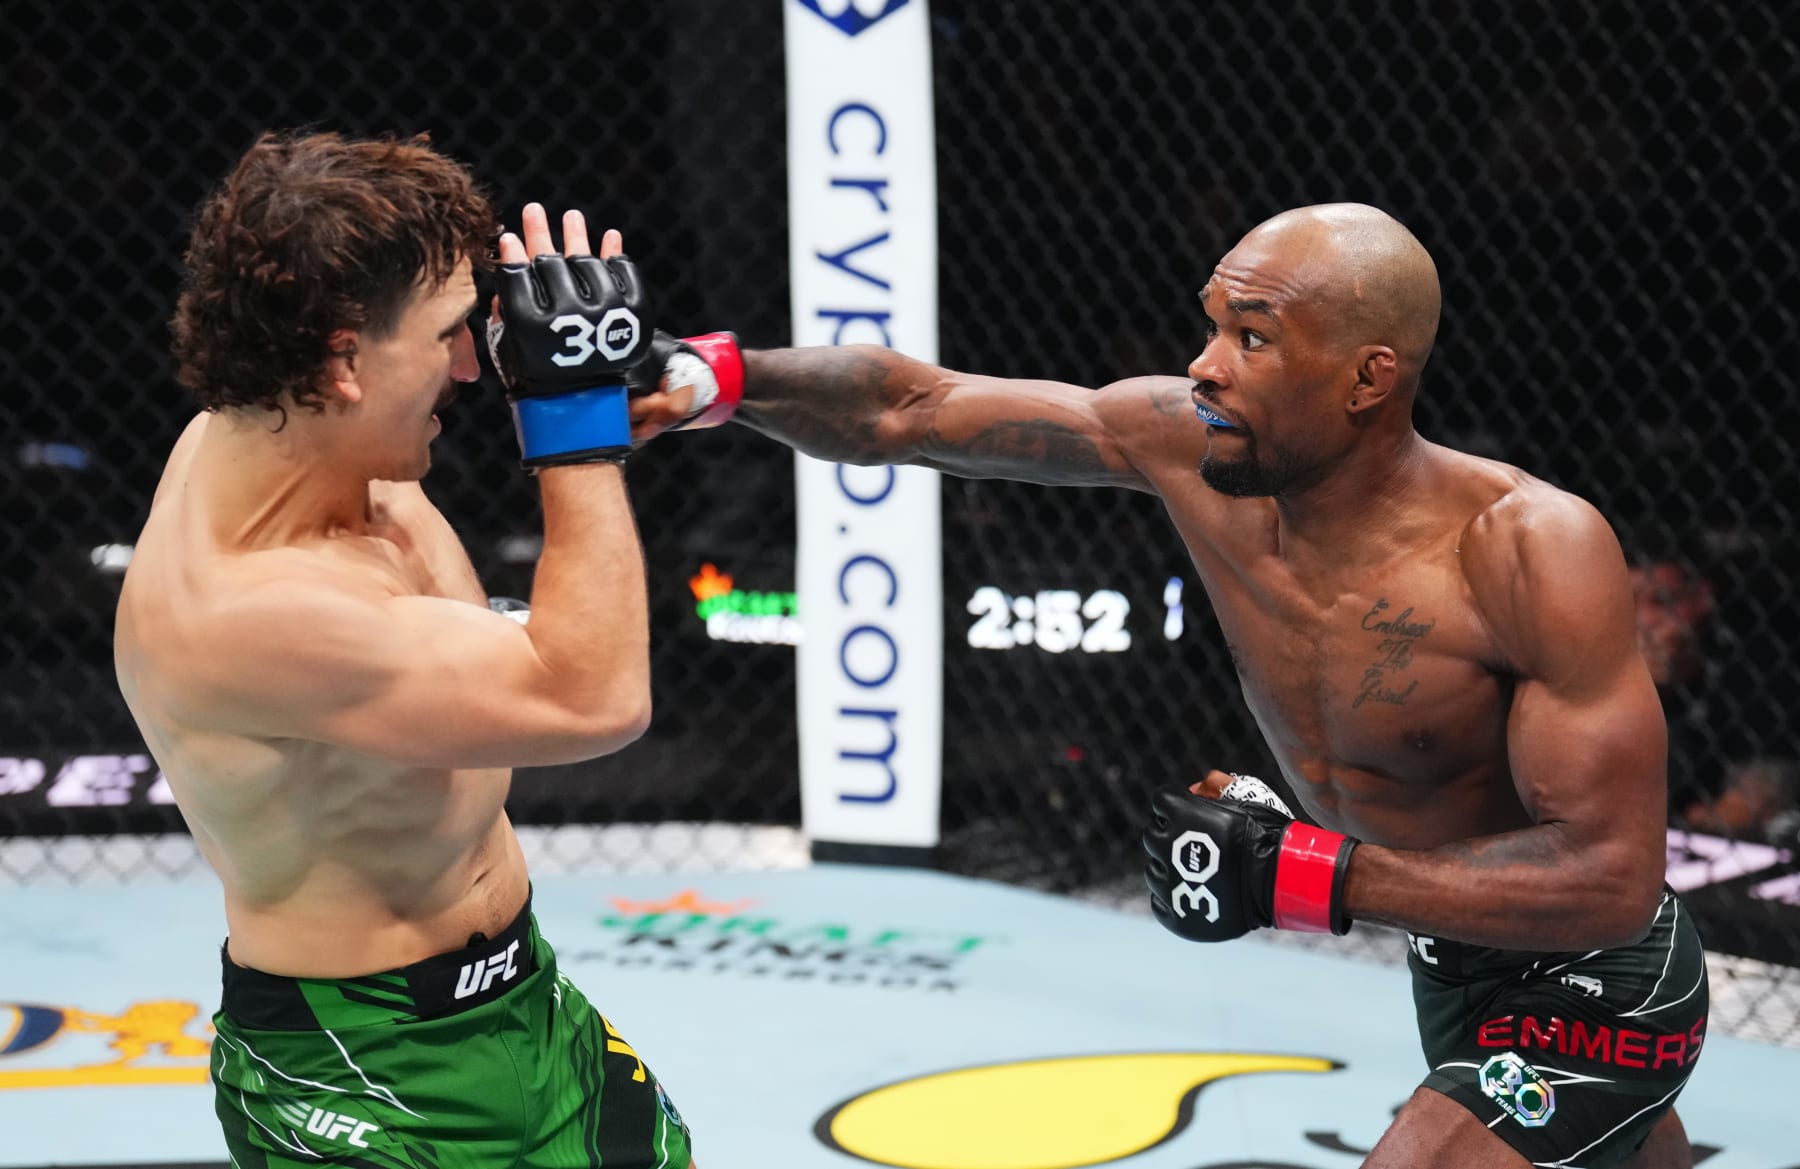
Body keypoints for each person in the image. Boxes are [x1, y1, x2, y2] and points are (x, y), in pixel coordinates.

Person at [628, 203, 1706, 1167]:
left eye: (1254, 337)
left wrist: (1306, 872)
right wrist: (718, 378)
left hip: (1601, 976)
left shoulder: (1524, 548)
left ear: (1369, 377)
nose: (1205, 365)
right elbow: (915, 407)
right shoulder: (1185, 448)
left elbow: (1610, 877)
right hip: (1452, 960)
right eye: (1212, 322)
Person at [114, 131, 694, 1167]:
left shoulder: (309, 443)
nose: (476, 363)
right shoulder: (252, 610)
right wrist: (571, 428)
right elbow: (595, 697)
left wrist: (604, 384)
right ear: (343, 359)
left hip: (527, 996)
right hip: (368, 1068)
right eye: (450, 334)